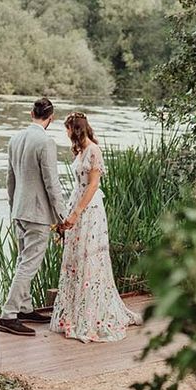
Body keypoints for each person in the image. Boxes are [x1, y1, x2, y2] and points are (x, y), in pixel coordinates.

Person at [50, 112, 142, 342]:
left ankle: (92, 315)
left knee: (89, 258)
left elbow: (93, 185)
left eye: (68, 129)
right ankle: (74, 311)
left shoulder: (93, 150)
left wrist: (77, 212)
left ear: (75, 129)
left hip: (89, 209)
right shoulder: (80, 151)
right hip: (76, 202)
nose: (67, 133)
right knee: (75, 258)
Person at [0, 97, 68, 337]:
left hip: (19, 209)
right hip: (37, 213)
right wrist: (63, 216)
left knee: (22, 260)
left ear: (31, 113)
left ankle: (24, 308)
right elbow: (52, 183)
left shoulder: (15, 139)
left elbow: (10, 179)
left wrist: (13, 207)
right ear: (52, 118)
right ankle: (8, 315)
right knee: (29, 263)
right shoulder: (46, 142)